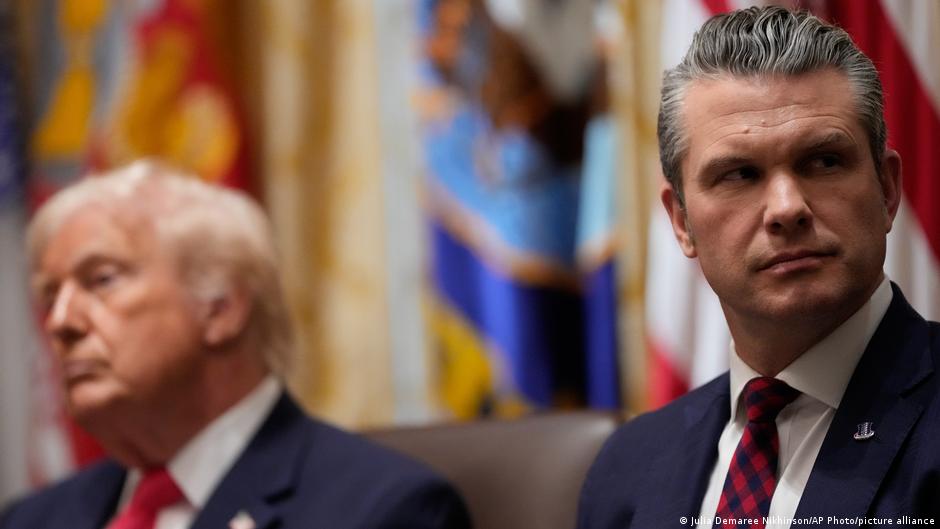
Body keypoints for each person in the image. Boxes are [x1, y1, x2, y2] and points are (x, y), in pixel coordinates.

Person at [578, 6, 939, 529]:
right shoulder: (628, 465)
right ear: (681, 221)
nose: (787, 208)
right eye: (740, 174)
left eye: (824, 161)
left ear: (886, 190)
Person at [0, 161, 472, 529]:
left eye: (102, 279)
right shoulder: (30, 521)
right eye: (49, 296)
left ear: (220, 307)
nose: (59, 322)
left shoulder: (384, 512)